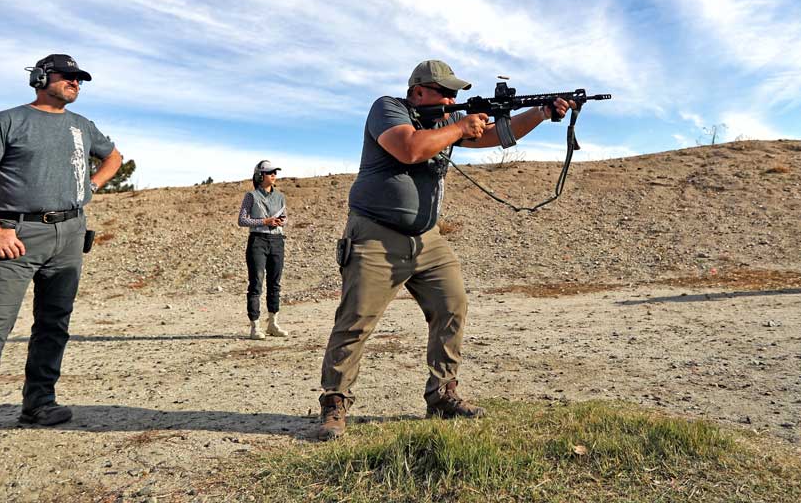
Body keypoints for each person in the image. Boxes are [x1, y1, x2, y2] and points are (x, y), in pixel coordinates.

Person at [316, 60, 573, 440]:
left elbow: (499, 134)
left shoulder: (444, 123)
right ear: (419, 91)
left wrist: (540, 112)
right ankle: (334, 401)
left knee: (452, 305)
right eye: (446, 92)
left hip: (428, 237)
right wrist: (459, 126)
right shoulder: (388, 109)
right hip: (375, 236)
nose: (453, 99)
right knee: (356, 320)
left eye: (456, 94)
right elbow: (409, 149)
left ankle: (442, 395)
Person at [0, 54, 122, 455]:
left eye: (79, 79)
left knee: (54, 324)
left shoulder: (81, 126)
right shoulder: (7, 121)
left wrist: (94, 184)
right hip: (17, 234)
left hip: (70, 233)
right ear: (40, 78)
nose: (75, 83)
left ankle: (39, 404)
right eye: (67, 76)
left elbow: (114, 156)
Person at [237, 160, 288, 340]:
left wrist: (280, 221)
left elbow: (285, 217)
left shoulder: (280, 196)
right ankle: (255, 326)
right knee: (256, 284)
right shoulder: (250, 196)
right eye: (269, 172)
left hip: (277, 240)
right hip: (258, 240)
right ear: (260, 176)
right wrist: (264, 221)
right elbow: (242, 220)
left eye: (275, 172)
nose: (273, 175)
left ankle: (273, 323)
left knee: (275, 284)